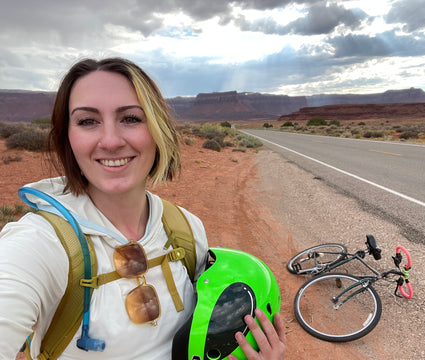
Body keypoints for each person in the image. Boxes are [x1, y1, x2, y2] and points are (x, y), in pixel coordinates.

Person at [0, 58, 286, 360]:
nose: (110, 141)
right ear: (67, 137)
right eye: (87, 121)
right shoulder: (38, 243)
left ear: (157, 129)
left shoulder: (186, 229)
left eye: (131, 119)